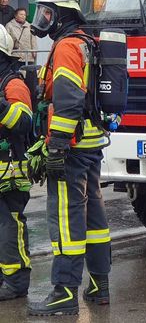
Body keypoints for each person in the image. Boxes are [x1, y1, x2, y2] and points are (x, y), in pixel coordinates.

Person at [26, 0, 111, 317]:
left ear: (63, 15)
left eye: (48, 12)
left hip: (71, 146)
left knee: (66, 218)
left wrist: (57, 147)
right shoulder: (87, 42)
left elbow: (68, 100)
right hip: (90, 142)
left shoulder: (66, 47)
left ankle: (63, 292)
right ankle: (99, 285)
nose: (43, 18)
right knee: (95, 216)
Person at [0, 25, 33, 301]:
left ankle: (17, 281)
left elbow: (23, 123)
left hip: (10, 173)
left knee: (9, 225)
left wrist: (1, 107)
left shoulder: (13, 84)